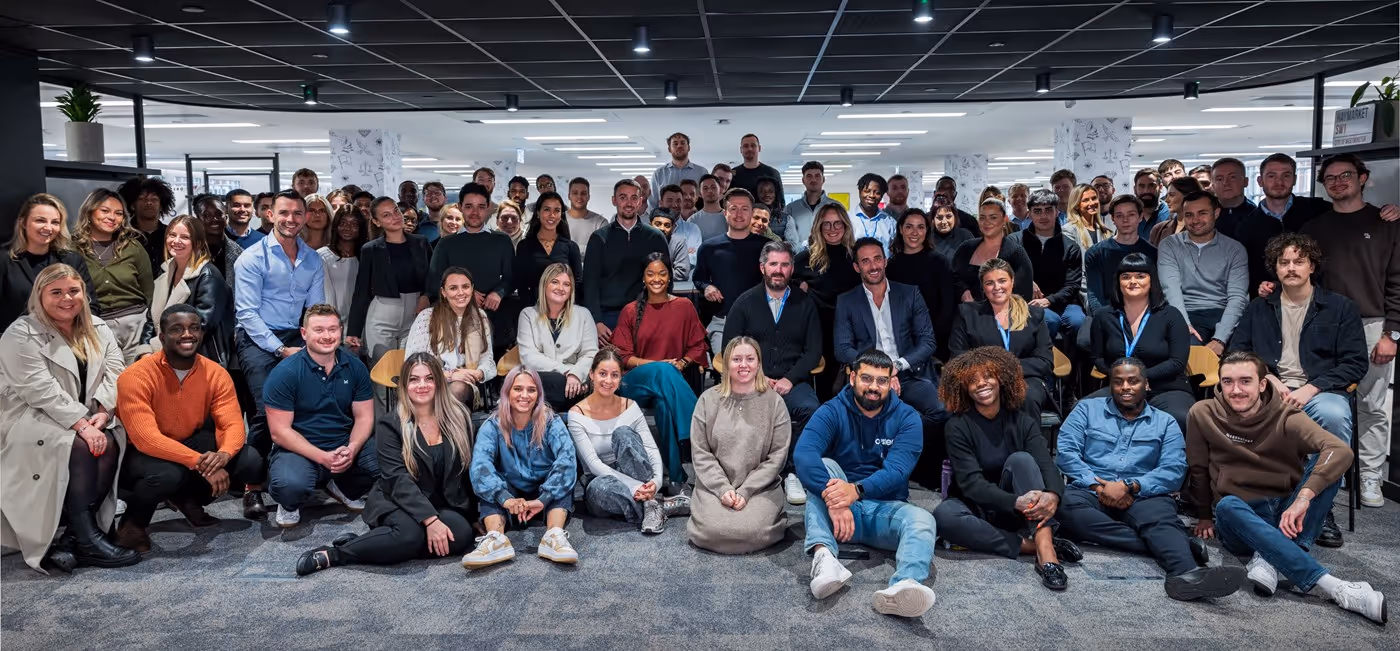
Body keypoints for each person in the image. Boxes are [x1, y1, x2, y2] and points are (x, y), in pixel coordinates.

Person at [1187, 352, 1385, 624]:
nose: (1236, 390)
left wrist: (1303, 497)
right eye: (1228, 381)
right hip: (1240, 517)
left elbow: (1340, 450)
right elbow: (1198, 468)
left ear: (1262, 384)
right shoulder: (1203, 412)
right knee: (1226, 506)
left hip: (1285, 512)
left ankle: (1268, 556)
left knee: (1328, 468)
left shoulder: (1286, 415)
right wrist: (1204, 516)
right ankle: (1335, 586)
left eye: (1245, 381)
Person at [1056, 358, 1245, 600]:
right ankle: (1176, 545)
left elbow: (1173, 469)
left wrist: (1130, 486)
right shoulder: (1086, 410)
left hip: (1143, 495)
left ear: (1146, 385)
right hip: (1091, 491)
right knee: (1062, 507)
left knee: (1159, 520)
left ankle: (1187, 574)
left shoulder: (1165, 422)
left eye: (1133, 381)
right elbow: (1066, 454)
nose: (1125, 387)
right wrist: (1098, 486)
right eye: (1118, 382)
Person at [1229, 232, 1366, 547]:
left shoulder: (1340, 308)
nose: (1291, 268)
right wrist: (1269, 379)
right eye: (1284, 262)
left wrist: (1312, 388)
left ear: (1312, 266)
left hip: (1321, 391)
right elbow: (1238, 352)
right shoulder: (1259, 308)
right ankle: (1256, 507)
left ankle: (1318, 509)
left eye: (1299, 261)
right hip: (1269, 390)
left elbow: (1355, 363)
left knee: (1334, 418)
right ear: (1275, 268)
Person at [0, 264, 138, 571]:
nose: (67, 298)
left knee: (110, 440)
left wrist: (103, 411)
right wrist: (82, 425)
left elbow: (116, 371)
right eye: (57, 292)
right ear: (40, 295)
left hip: (87, 414)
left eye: (73, 291)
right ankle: (86, 537)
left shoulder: (98, 327)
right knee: (80, 445)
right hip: (30, 416)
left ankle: (78, 536)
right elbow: (39, 390)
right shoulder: (20, 333)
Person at [293, 353, 476, 575]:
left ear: (440, 382)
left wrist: (476, 515)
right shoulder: (390, 424)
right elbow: (397, 479)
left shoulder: (458, 418)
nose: (422, 385)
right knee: (409, 535)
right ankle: (334, 554)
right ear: (404, 385)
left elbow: (466, 471)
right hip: (395, 499)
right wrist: (430, 521)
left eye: (429, 378)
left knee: (462, 535)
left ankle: (374, 544)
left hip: (440, 502)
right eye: (414, 379)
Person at [795, 348, 938, 618]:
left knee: (923, 520)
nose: (874, 387)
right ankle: (825, 559)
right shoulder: (832, 411)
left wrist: (856, 491)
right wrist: (837, 501)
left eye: (882, 380)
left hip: (884, 510)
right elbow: (804, 454)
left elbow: (897, 471)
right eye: (867, 378)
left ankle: (905, 585)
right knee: (825, 465)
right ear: (852, 378)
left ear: (891, 382)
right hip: (838, 514)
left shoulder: (907, 418)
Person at [114, 304, 263, 551]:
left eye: (194, 328)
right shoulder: (135, 376)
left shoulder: (215, 372)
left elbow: (232, 424)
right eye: (177, 329)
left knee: (250, 460)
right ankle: (132, 524)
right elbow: (146, 439)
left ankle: (188, 500)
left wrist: (223, 456)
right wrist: (200, 464)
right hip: (138, 455)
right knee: (169, 474)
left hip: (186, 442)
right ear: (162, 337)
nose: (187, 334)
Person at [935, 346, 1083, 591]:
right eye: (972, 380)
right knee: (943, 517)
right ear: (964, 387)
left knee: (1022, 460)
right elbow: (971, 484)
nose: (981, 384)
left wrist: (1053, 495)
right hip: (979, 507)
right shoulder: (957, 426)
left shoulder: (1022, 421)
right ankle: (1034, 546)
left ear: (1001, 379)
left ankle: (1047, 555)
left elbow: (1046, 464)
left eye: (988, 376)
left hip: (1021, 512)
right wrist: (1016, 501)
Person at [1298, 154, 1400, 509]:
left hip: (1373, 324)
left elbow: (1397, 281)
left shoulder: (1387, 223)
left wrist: (1392, 333)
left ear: (1362, 178)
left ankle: (1370, 475)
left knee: (1372, 404)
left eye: (1345, 175)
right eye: (1330, 178)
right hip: (1324, 323)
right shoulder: (1314, 228)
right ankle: (1333, 467)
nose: (1338, 182)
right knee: (1327, 399)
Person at [233, 190, 326, 520]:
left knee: (312, 402)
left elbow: (315, 310)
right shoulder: (251, 258)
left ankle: (304, 472)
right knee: (266, 410)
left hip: (296, 336)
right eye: (284, 213)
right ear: (270, 215)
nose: (291, 219)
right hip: (257, 337)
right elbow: (247, 314)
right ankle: (252, 486)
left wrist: (313, 343)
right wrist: (280, 348)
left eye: (298, 213)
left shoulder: (313, 260)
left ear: (305, 217)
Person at [834, 237, 949, 481]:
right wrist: (881, 372)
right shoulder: (847, 300)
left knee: (941, 410)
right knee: (863, 414)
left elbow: (928, 341)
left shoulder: (909, 294)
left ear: (885, 261)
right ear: (856, 267)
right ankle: (881, 469)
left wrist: (896, 367)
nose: (873, 265)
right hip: (870, 378)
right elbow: (843, 349)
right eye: (866, 261)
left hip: (909, 373)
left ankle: (908, 461)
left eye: (877, 258)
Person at [722, 241, 823, 501]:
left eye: (785, 264)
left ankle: (792, 473)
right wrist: (757, 377)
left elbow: (813, 351)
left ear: (792, 269)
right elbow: (729, 348)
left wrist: (790, 379)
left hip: (793, 381)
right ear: (762, 268)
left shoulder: (805, 303)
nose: (779, 270)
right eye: (773, 264)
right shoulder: (745, 302)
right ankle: (753, 474)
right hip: (752, 381)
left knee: (811, 410)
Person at [263, 304, 376, 528]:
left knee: (387, 460)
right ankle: (289, 503)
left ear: (340, 331)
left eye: (332, 329)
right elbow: (279, 432)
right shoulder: (285, 373)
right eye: (319, 330)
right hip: (299, 449)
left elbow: (364, 418)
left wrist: (352, 448)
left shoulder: (355, 367)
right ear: (304, 333)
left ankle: (342, 488)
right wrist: (323, 457)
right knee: (289, 486)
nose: (327, 336)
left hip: (342, 443)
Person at [463, 365, 578, 568]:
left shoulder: (552, 421)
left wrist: (543, 499)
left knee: (562, 478)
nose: (524, 395)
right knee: (489, 481)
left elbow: (567, 462)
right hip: (510, 491)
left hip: (545, 491)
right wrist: (505, 499)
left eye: (531, 390)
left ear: (538, 394)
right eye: (518, 389)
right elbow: (480, 466)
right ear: (507, 392)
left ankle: (554, 536)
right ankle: (496, 538)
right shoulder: (492, 424)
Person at [688, 337, 792, 554]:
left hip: (760, 488)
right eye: (736, 359)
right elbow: (701, 452)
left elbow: (777, 457)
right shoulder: (707, 400)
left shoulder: (775, 402)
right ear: (726, 363)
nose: (743, 365)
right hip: (715, 487)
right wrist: (723, 488)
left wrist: (745, 491)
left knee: (753, 532)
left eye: (750, 359)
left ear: (758, 363)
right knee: (711, 532)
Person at [569, 349, 689, 533]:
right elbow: (593, 463)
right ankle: (658, 505)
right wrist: (635, 487)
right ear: (591, 374)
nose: (608, 380)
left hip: (637, 472)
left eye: (614, 375)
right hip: (602, 477)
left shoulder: (630, 405)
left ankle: (650, 503)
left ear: (620, 379)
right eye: (602, 373)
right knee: (598, 490)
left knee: (623, 433)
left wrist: (656, 481)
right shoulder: (576, 414)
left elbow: (650, 448)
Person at [611, 254, 706, 484]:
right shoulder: (630, 311)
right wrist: (658, 365)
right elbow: (622, 357)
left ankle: (676, 478)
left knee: (663, 403)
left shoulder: (684, 307)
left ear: (670, 276)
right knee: (664, 371)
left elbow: (698, 345)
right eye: (651, 274)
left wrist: (681, 363)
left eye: (662, 273)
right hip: (633, 382)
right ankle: (701, 430)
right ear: (643, 278)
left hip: (667, 387)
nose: (657, 279)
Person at [1088, 253, 1194, 432]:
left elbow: (1177, 362)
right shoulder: (1103, 316)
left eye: (1140, 276)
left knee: (1179, 417)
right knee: (1084, 410)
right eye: (1126, 276)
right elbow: (1097, 357)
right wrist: (1122, 378)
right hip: (1121, 389)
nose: (1132, 281)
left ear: (1152, 280)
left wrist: (1142, 377)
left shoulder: (1171, 315)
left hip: (1166, 388)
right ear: (1118, 282)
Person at [949, 259, 1054, 418]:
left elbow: (1045, 361)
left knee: (1027, 397)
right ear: (983, 287)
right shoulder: (967, 314)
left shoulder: (1033, 315)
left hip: (1025, 378)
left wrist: (1003, 369)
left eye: (1002, 281)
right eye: (989, 283)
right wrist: (989, 375)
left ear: (1012, 282)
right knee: (982, 398)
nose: (997, 287)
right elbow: (958, 358)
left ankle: (1028, 435)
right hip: (981, 379)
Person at [423, 183, 515, 359]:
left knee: (494, 368)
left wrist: (499, 292)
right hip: (456, 320)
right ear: (460, 207)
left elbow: (511, 277)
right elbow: (434, 282)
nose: (475, 212)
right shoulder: (446, 244)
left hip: (494, 317)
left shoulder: (501, 241)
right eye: (469, 206)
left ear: (488, 208)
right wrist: (466, 294)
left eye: (481, 207)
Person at [1158, 190, 1249, 353]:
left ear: (1216, 213)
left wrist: (1220, 339)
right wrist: (1184, 326)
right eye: (1189, 215)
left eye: (1202, 213)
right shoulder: (1169, 245)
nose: (1195, 220)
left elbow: (1237, 297)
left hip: (1224, 314)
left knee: (1238, 359)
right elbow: (1171, 290)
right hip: (1186, 312)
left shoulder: (1234, 249)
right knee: (1188, 354)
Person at [582, 179, 670, 343]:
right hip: (607, 319)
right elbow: (590, 283)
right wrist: (596, 321)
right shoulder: (599, 238)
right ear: (614, 200)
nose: (629, 203)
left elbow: (666, 281)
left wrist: (659, 315)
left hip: (646, 314)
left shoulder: (655, 237)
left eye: (633, 198)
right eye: (623, 197)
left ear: (640, 201)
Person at [347, 198, 430, 367]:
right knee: (382, 369)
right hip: (382, 314)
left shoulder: (421, 242)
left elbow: (432, 277)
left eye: (396, 211)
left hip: (416, 313)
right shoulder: (370, 249)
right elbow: (362, 290)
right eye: (386, 215)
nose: (395, 217)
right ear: (376, 222)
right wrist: (353, 331)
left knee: (413, 368)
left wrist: (427, 296)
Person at [75, 188, 154, 364]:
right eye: (105, 211)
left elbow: (150, 292)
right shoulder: (73, 250)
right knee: (108, 378)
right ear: (90, 212)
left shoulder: (133, 247)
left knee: (139, 376)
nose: (112, 217)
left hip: (136, 325)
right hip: (96, 326)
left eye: (118, 213)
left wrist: (151, 331)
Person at [1, 193, 98, 332]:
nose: (48, 227)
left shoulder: (72, 260)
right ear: (23, 223)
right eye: (40, 220)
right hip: (21, 339)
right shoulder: (5, 261)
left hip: (68, 338)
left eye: (55, 222)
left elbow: (91, 306)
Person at [794, 203, 861, 400]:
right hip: (818, 330)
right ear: (819, 227)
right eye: (827, 224)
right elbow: (787, 283)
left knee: (849, 385)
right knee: (822, 383)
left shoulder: (856, 256)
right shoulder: (806, 258)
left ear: (846, 226)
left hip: (851, 330)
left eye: (837, 223)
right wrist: (799, 286)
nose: (832, 229)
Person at [145, 215, 231, 365]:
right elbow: (151, 317)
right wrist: (145, 350)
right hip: (164, 353)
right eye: (172, 235)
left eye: (184, 237)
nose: (176, 241)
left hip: (199, 359)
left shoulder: (208, 275)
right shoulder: (165, 271)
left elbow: (200, 326)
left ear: (198, 243)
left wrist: (158, 350)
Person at [405, 266, 495, 406]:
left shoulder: (479, 317)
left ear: (472, 289)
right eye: (453, 288)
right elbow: (414, 363)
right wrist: (451, 375)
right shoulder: (427, 317)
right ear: (443, 292)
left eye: (465, 287)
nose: (461, 292)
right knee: (454, 388)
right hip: (431, 382)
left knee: (459, 388)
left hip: (466, 384)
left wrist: (478, 373)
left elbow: (487, 358)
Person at [694, 188, 768, 354]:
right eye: (733, 209)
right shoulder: (708, 248)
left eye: (744, 209)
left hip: (760, 321)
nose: (739, 214)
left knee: (761, 367)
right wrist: (706, 287)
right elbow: (698, 278)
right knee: (724, 366)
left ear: (752, 213)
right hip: (722, 322)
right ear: (725, 213)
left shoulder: (767, 247)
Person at [518, 263, 598, 411]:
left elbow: (591, 354)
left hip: (576, 383)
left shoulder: (583, 315)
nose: (561, 288)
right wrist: (567, 372)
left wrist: (577, 374)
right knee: (534, 382)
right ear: (544, 285)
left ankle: (546, 410)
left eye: (566, 284)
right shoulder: (528, 314)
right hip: (545, 381)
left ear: (571, 290)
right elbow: (529, 357)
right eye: (555, 282)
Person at [885, 208, 958, 360]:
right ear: (901, 229)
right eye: (909, 226)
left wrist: (931, 339)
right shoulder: (891, 265)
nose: (915, 232)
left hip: (935, 342)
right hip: (900, 343)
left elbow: (947, 305)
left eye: (920, 227)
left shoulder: (939, 262)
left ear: (926, 231)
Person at [1016, 188, 1084, 339]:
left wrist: (1049, 300)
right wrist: (1027, 280)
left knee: (1078, 321)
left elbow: (1073, 285)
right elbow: (1006, 272)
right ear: (1029, 214)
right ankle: (1042, 354)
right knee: (1049, 320)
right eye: (1037, 211)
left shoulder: (1070, 246)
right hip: (1028, 301)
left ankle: (1070, 355)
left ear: (1057, 212)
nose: (1043, 216)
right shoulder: (1015, 242)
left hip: (1063, 302)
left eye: (1048, 210)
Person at [950, 199, 1035, 303]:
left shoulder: (1016, 253)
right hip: (965, 311)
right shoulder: (966, 248)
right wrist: (963, 291)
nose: (986, 222)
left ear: (1005, 220)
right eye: (982, 217)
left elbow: (1023, 295)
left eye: (993, 217)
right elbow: (953, 276)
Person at [1084, 195, 1157, 314]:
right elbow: (1095, 296)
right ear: (1113, 218)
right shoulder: (1095, 253)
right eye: (1119, 215)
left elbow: (1155, 293)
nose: (1125, 220)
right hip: (1107, 314)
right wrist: (1104, 319)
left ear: (1140, 217)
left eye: (1131, 214)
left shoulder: (1152, 253)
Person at [515, 191, 583, 309]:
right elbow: (521, 283)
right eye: (547, 209)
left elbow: (577, 283)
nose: (552, 215)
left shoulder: (571, 247)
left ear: (561, 214)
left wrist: (566, 309)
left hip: (564, 310)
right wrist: (531, 310)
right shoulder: (524, 246)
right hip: (533, 309)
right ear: (538, 212)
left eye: (557, 210)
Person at [317, 205, 365, 320]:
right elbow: (326, 296)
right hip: (331, 321)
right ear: (336, 226)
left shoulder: (366, 257)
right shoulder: (322, 256)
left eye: (354, 224)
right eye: (343, 223)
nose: (347, 228)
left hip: (360, 321)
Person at [118, 177, 175, 269]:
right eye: (142, 199)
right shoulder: (122, 236)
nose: (149, 203)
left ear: (161, 206)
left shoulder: (171, 234)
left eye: (154, 199)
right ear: (132, 205)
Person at [785, 161, 838, 249]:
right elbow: (786, 238)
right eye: (809, 176)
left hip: (829, 254)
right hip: (798, 256)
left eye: (817, 176)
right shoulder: (790, 209)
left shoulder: (836, 206)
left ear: (823, 179)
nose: (813, 180)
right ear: (803, 180)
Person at [192, 194, 241, 291]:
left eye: (219, 214)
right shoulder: (187, 252)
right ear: (197, 220)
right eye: (207, 215)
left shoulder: (240, 254)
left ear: (226, 218)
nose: (214, 219)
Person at [649, 132, 707, 211]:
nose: (679, 146)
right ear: (669, 149)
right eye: (675, 144)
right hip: (667, 217)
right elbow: (653, 203)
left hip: (695, 217)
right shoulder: (659, 174)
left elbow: (706, 201)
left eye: (683, 143)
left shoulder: (702, 172)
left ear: (689, 148)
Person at [1207, 158, 1257, 238]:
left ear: (1245, 182)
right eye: (1219, 179)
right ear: (1213, 186)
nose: (1226, 183)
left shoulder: (1256, 215)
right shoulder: (1205, 215)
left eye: (1232, 177)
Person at [1148, 176, 1203, 247]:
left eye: (1171, 195)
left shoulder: (1204, 228)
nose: (1167, 200)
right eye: (1167, 195)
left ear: (1189, 196)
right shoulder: (1158, 229)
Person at [731, 134, 784, 205]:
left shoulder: (772, 173)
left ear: (759, 148)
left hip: (767, 212)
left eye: (753, 145)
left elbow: (781, 202)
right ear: (741, 149)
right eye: (746, 146)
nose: (749, 149)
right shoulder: (733, 175)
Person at [851, 173, 896, 254]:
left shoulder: (890, 222)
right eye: (867, 191)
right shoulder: (848, 219)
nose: (871, 195)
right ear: (860, 192)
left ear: (882, 195)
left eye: (877, 193)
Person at [564, 177, 607, 258]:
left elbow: (603, 253)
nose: (579, 197)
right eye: (575, 193)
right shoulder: (559, 220)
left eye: (583, 193)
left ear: (588, 197)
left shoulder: (600, 223)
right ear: (569, 196)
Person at [692, 174, 729, 243]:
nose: (710, 191)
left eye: (713, 187)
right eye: (705, 188)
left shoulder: (730, 217)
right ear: (700, 193)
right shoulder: (692, 221)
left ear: (720, 190)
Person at [755, 177, 792, 243]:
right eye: (762, 191)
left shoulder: (787, 219)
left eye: (771, 191)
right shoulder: (748, 217)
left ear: (776, 193)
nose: (767, 194)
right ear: (756, 193)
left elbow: (793, 245)